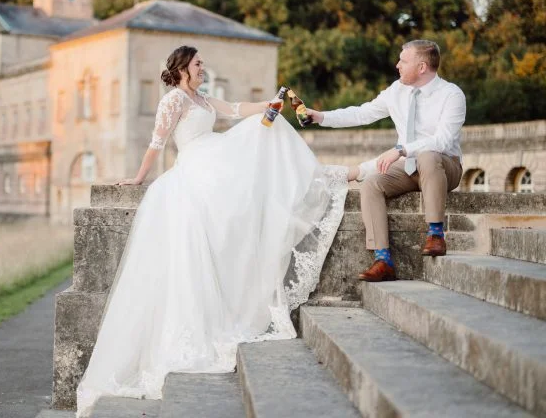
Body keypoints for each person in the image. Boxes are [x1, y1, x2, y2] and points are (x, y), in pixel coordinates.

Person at [76, 46, 348, 417]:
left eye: (202, 63)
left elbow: (236, 110)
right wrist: (139, 178)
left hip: (214, 157)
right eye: (198, 64)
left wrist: (270, 104)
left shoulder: (201, 98)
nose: (203, 68)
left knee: (269, 126)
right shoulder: (173, 100)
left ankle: (320, 174)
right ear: (183, 68)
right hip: (195, 166)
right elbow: (158, 142)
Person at [305, 39, 466, 282]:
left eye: (404, 60)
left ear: (422, 67)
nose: (397, 65)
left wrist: (401, 149)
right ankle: (383, 260)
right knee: (371, 183)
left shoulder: (451, 94)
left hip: (444, 167)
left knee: (429, 155)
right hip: (409, 167)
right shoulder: (396, 91)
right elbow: (362, 112)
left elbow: (442, 141)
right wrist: (321, 117)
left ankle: (435, 234)